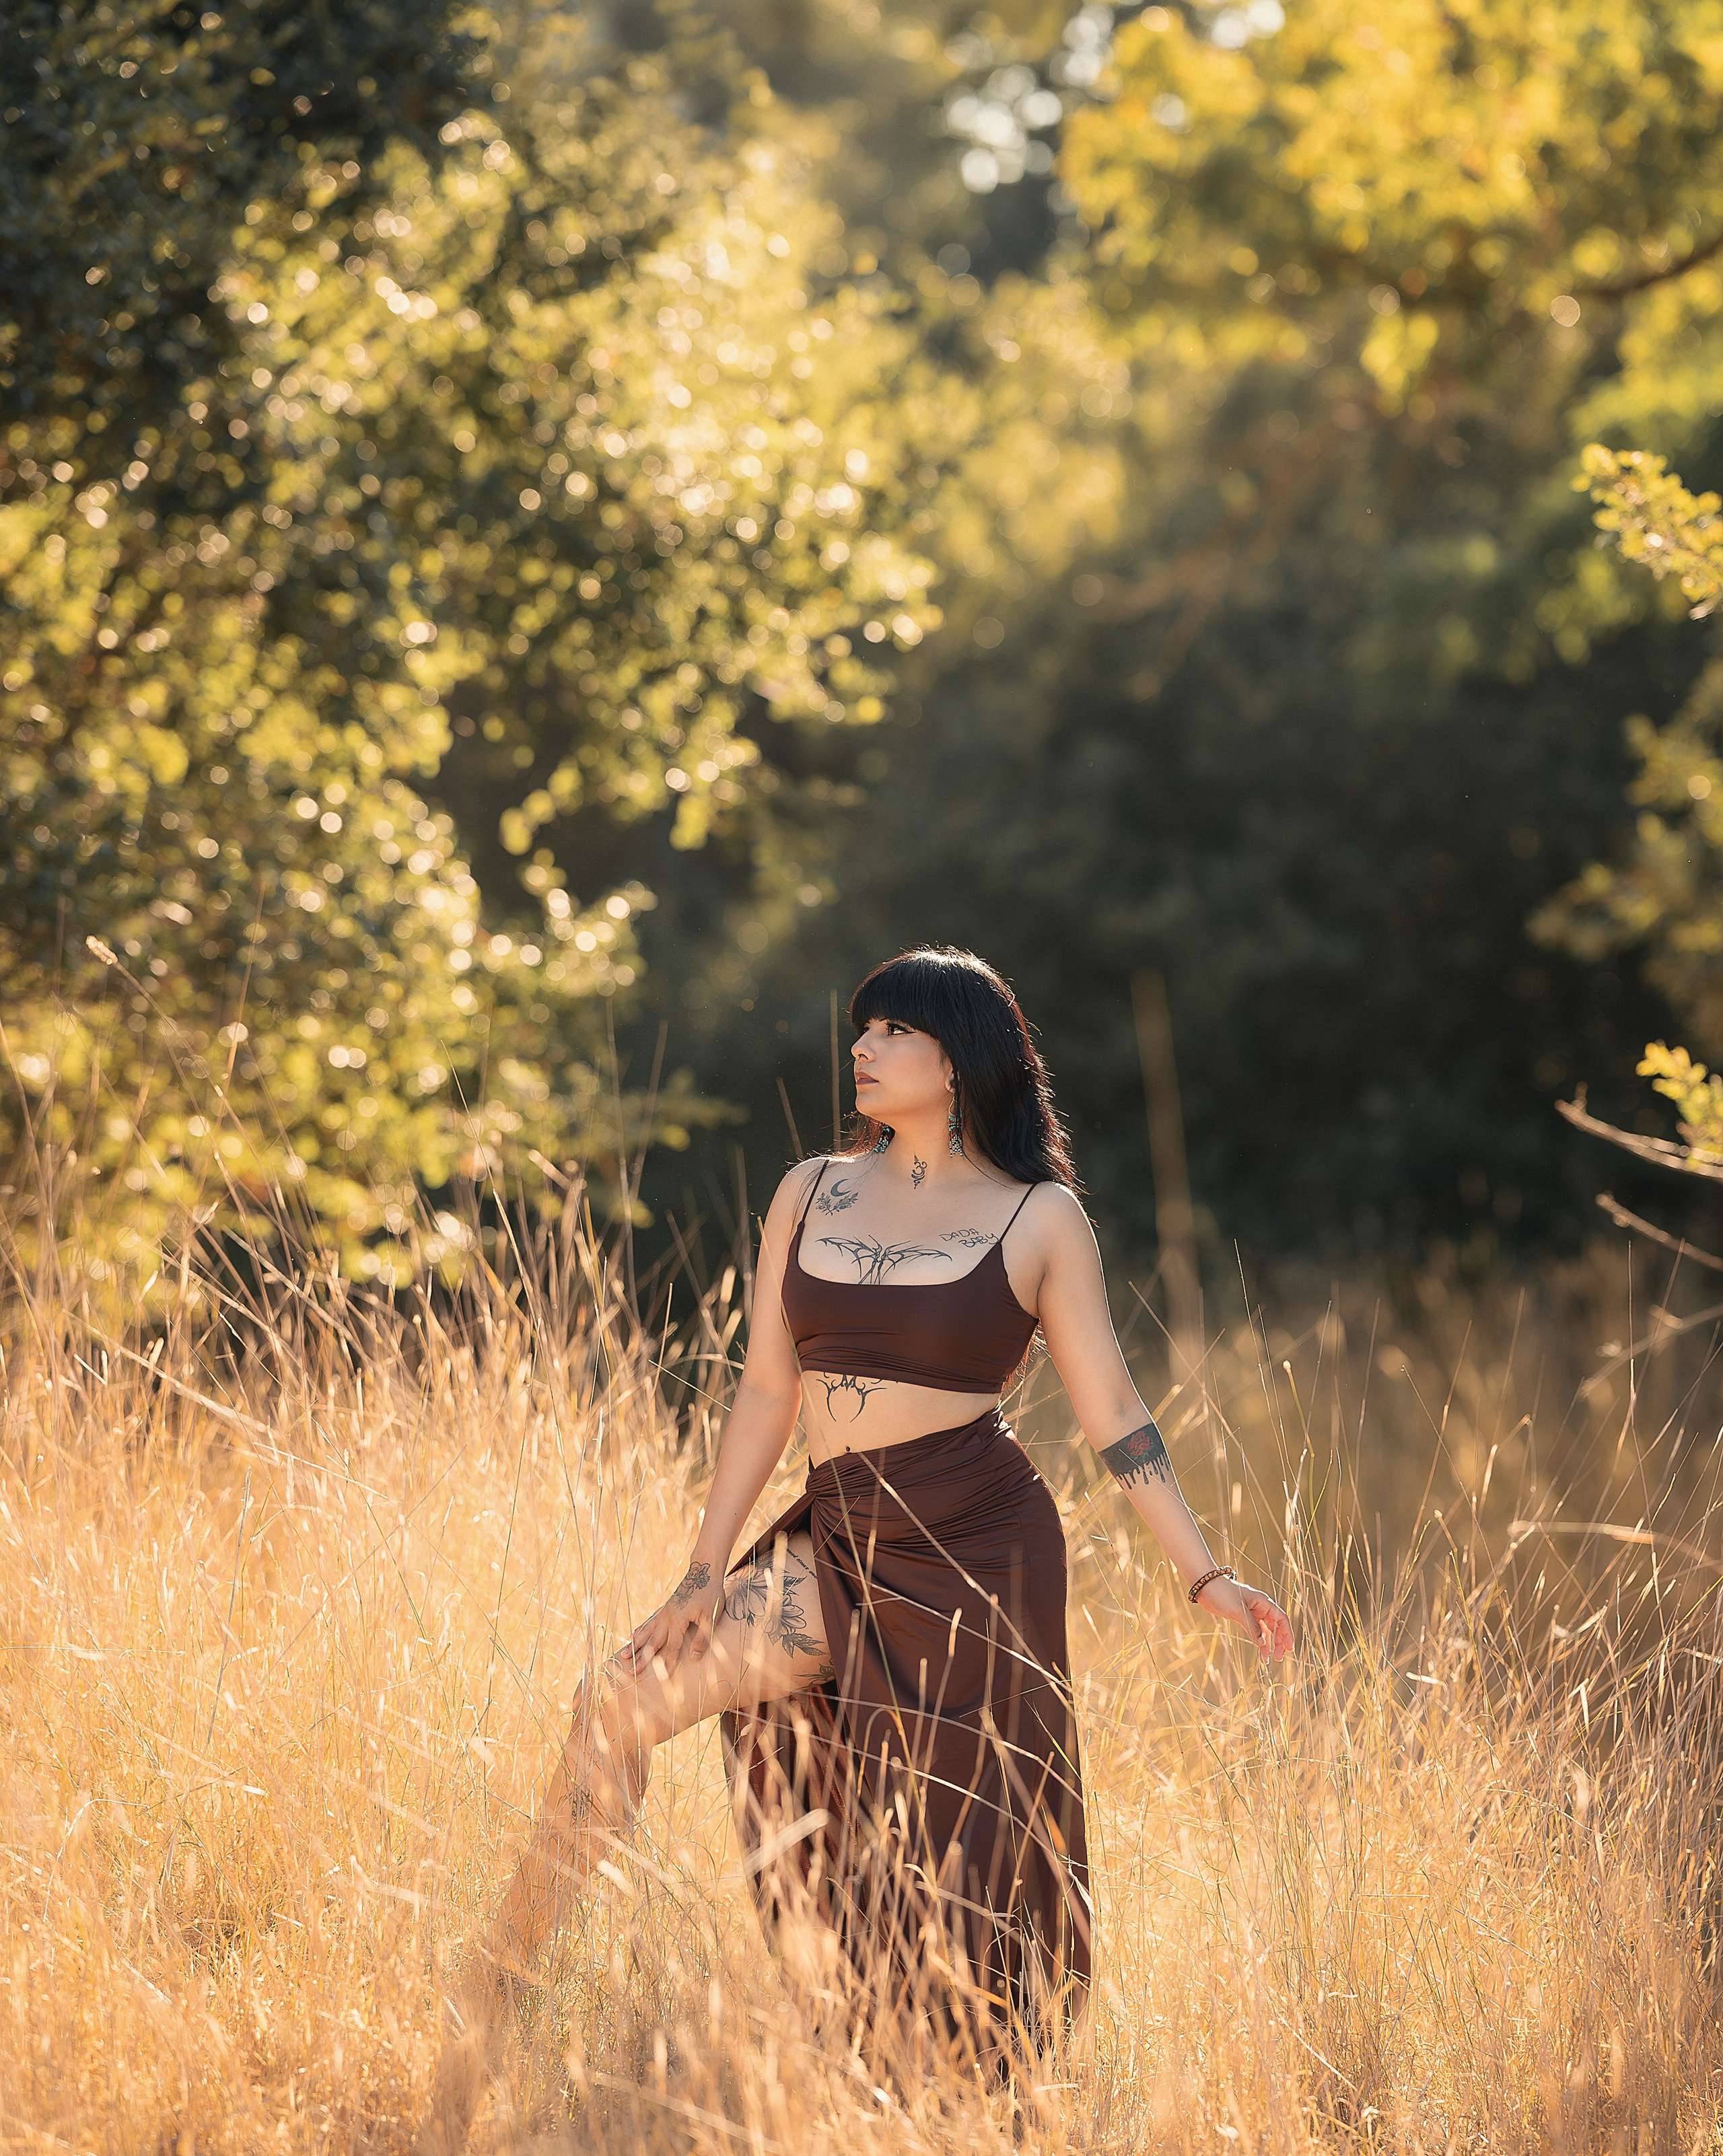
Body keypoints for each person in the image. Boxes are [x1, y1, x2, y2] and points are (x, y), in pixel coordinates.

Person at [417, 945, 1294, 2150]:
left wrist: (1204, 1573)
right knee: (615, 1703)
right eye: (863, 1029)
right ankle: (493, 1998)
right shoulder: (812, 1188)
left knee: (951, 1850)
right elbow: (767, 1390)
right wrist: (703, 1569)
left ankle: (952, 2105)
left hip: (979, 1552)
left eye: (893, 1032)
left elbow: (1115, 1415)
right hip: (839, 1541)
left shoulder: (1039, 1219)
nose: (863, 1049)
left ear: (961, 1058)